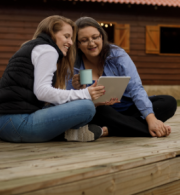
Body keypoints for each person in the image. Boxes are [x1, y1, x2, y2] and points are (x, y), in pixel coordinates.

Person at [0, 15, 106, 143]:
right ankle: (65, 134)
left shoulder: (33, 47)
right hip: (18, 124)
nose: (71, 42)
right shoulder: (48, 50)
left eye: (71, 38)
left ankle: (67, 134)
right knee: (87, 107)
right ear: (51, 33)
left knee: (68, 105)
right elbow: (42, 92)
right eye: (66, 36)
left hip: (7, 123)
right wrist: (85, 93)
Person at [67, 17, 177, 138]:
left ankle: (110, 130)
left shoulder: (117, 55)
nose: (92, 43)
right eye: (84, 40)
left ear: (101, 37)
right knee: (96, 109)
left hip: (129, 107)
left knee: (169, 102)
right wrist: (80, 91)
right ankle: (145, 129)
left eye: (95, 37)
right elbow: (71, 106)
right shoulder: (72, 66)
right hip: (102, 112)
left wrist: (151, 119)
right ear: (77, 44)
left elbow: (136, 88)